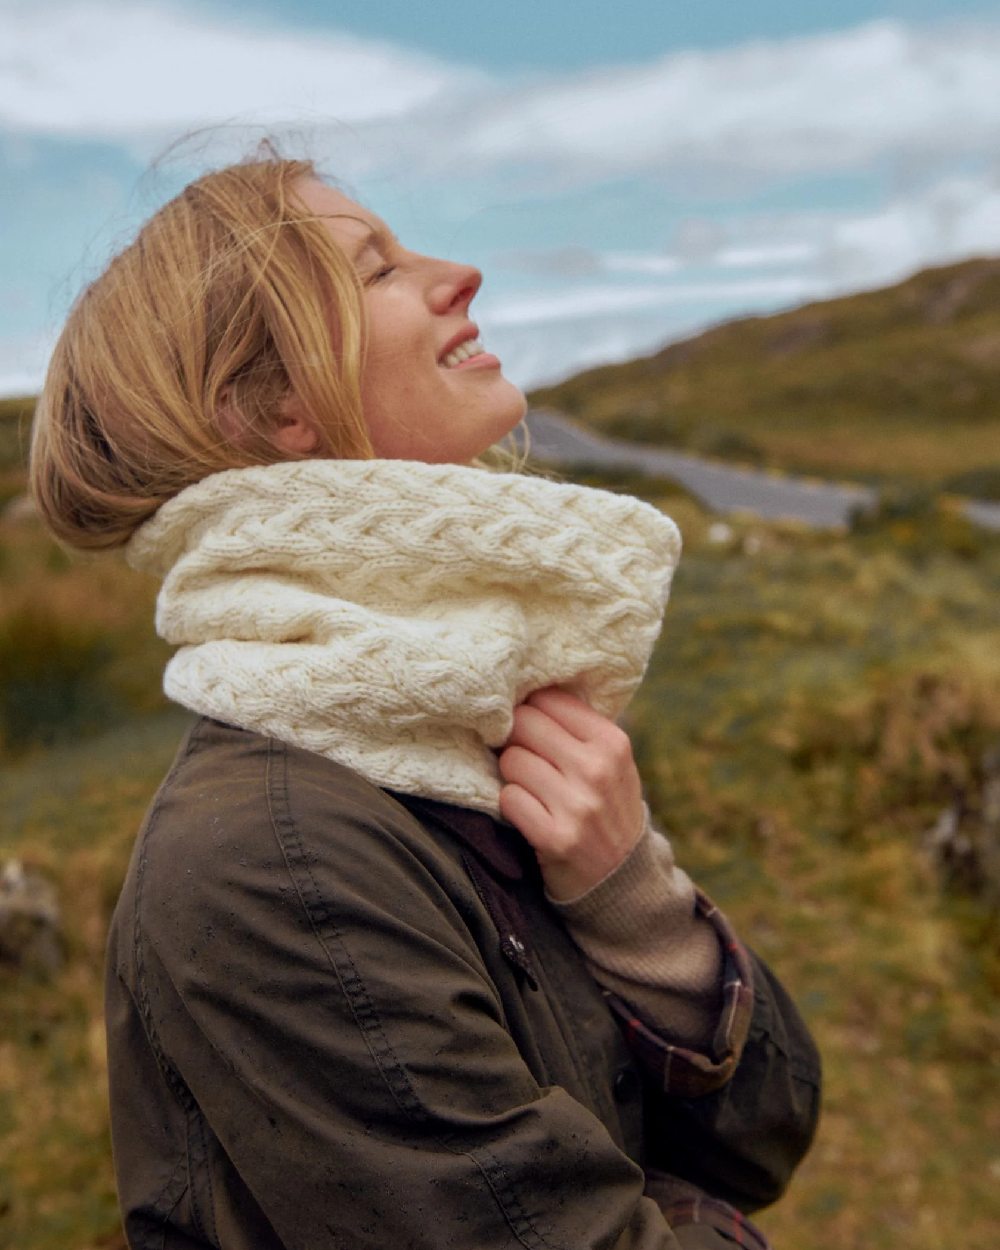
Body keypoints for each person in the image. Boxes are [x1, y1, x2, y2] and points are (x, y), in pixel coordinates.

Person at [29, 152, 820, 1250]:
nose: (462, 274)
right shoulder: (273, 860)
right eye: (378, 269)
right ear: (275, 406)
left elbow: (766, 1139)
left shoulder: (456, 725)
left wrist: (633, 904)